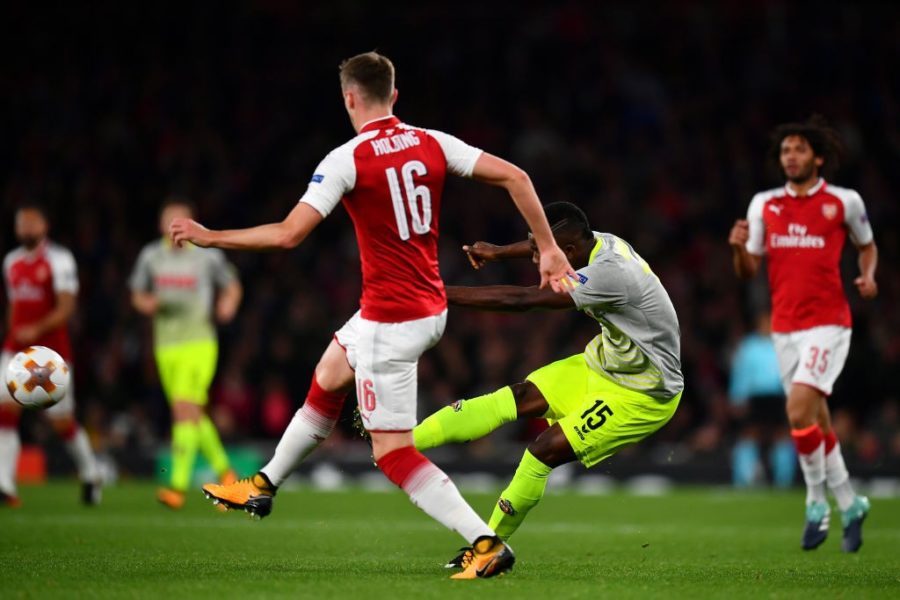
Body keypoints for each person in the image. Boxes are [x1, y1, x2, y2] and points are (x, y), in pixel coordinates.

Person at [171, 51, 575, 580]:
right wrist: (546, 248)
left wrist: (211, 236)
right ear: (395, 96)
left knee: (392, 454)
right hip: (422, 307)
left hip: (393, 322)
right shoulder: (432, 141)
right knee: (329, 374)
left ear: (349, 98)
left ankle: (485, 542)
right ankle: (263, 485)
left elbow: (289, 234)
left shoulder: (347, 158)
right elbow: (517, 177)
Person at [409, 201, 683, 568]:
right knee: (519, 396)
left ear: (567, 251)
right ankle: (401, 444)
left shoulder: (610, 273)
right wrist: (500, 252)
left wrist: (438, 294)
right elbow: (546, 243)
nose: (536, 256)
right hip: (603, 365)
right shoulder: (593, 242)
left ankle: (487, 551)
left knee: (543, 449)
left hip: (643, 392)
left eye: (541, 250)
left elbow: (522, 299)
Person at [728, 116, 877, 552]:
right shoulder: (764, 205)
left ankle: (816, 503)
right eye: (785, 151)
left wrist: (868, 276)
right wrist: (738, 247)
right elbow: (748, 270)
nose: (790, 156)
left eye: (798, 149)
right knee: (816, 419)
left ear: (818, 157)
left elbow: (867, 245)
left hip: (829, 324)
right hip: (785, 328)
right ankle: (851, 501)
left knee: (797, 412)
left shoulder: (843, 202)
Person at [130, 197, 243, 509]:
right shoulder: (151, 256)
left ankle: (177, 487)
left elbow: (232, 286)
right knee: (193, 413)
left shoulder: (208, 257)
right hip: (166, 346)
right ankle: (228, 475)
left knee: (182, 409)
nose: (175, 226)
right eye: (170, 220)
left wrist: (228, 303)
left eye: (181, 220)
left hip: (199, 342)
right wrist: (147, 304)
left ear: (192, 224)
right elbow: (137, 293)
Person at [0, 203, 101, 507]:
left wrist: (36, 329)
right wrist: (14, 332)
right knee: (5, 411)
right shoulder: (11, 262)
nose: (26, 228)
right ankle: (4, 484)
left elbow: (67, 306)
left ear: (45, 226)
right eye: (22, 223)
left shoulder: (59, 259)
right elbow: (13, 305)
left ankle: (91, 473)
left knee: (62, 422)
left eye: (32, 222)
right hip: (15, 351)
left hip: (49, 355)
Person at [728, 312, 794, 488]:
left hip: (777, 397)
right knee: (750, 436)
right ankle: (744, 480)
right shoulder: (749, 346)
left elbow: (790, 373)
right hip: (755, 398)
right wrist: (737, 397)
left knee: (781, 436)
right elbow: (740, 372)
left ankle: (783, 481)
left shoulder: (783, 345)